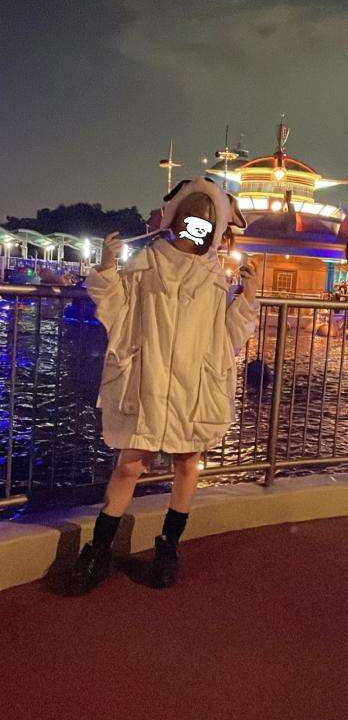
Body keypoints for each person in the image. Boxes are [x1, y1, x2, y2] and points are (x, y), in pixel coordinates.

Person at [67, 177, 259, 594]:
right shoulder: (147, 265)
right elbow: (118, 312)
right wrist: (107, 269)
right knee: (129, 465)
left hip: (192, 383)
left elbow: (224, 337)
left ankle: (168, 546)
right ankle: (98, 550)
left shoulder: (213, 279)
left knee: (187, 463)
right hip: (149, 379)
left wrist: (247, 298)